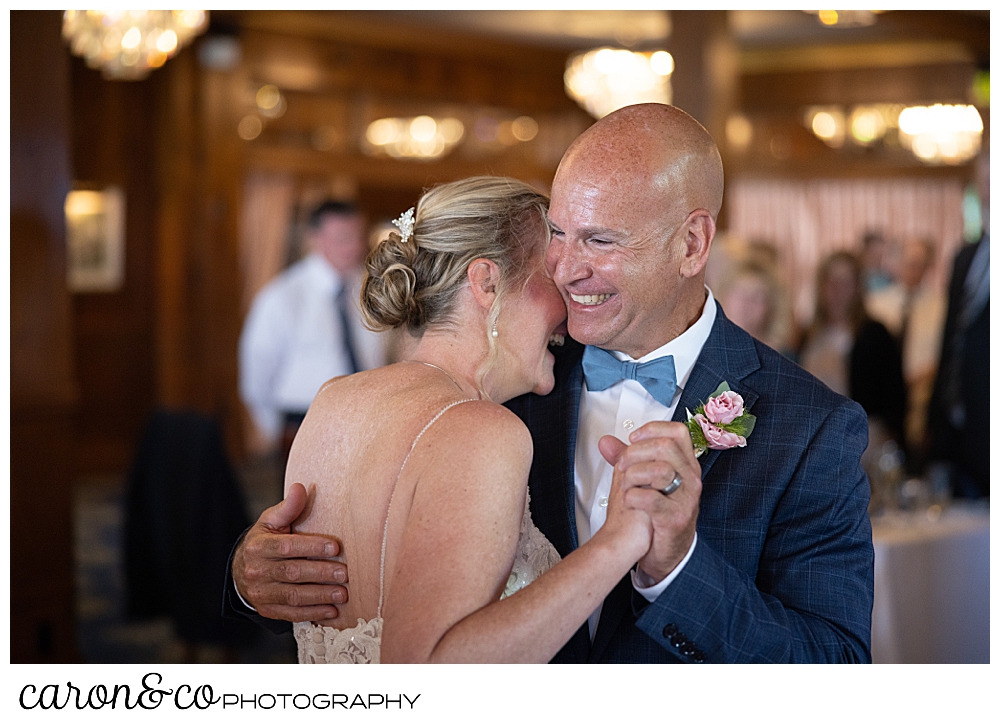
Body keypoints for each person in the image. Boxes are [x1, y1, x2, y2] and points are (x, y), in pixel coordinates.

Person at [227, 103, 874, 663]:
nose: (565, 269)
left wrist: (675, 568)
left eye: (599, 240)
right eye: (558, 234)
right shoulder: (507, 378)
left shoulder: (810, 427)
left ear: (692, 244)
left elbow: (834, 666)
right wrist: (250, 575)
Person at [283, 176, 653, 663]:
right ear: (487, 283)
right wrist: (620, 542)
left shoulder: (333, 402)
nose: (569, 307)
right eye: (552, 275)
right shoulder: (481, 430)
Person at [239, 200, 387, 459]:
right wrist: (279, 430)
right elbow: (257, 373)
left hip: (368, 416)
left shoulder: (372, 289)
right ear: (315, 239)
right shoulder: (283, 295)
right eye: (343, 237)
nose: (354, 246)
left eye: (358, 235)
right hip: (304, 420)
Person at [927, 149, 990, 498]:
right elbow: (951, 342)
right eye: (984, 181)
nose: (988, 189)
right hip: (960, 434)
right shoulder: (966, 256)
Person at [799, 251, 908, 446]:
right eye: (831, 281)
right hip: (815, 438)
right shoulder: (807, 335)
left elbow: (895, 396)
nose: (837, 289)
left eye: (845, 282)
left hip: (865, 439)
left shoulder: (876, 334)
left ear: (858, 287)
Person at [866, 236, 946, 457]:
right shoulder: (875, 303)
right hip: (885, 402)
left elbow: (946, 354)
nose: (913, 268)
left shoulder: (941, 306)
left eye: (919, 263)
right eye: (908, 261)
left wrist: (917, 379)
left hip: (924, 399)